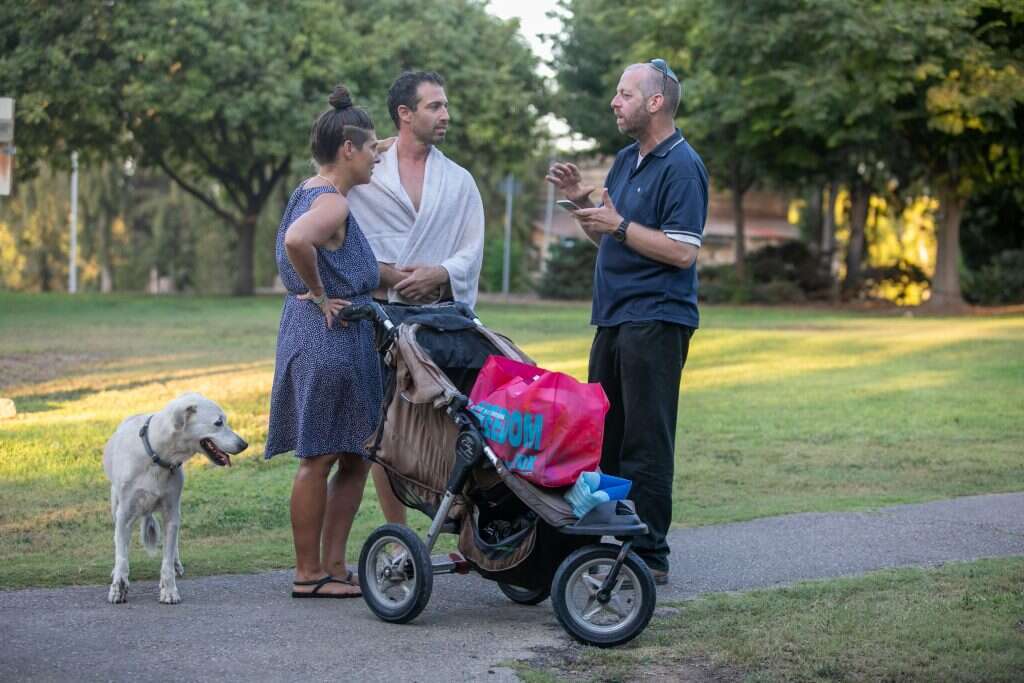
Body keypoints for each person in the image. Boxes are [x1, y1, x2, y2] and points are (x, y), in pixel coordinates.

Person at [545, 59, 708, 585]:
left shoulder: (683, 166)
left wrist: (620, 225)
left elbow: (682, 253)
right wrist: (581, 204)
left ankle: (650, 555)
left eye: (624, 94)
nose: (614, 102)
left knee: (646, 439)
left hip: (656, 319)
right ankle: (608, 543)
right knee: (605, 438)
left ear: (654, 102)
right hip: (614, 319)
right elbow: (612, 235)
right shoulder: (624, 160)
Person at [348, 71, 485, 526]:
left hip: (441, 318)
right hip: (382, 316)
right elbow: (340, 230)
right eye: (434, 106)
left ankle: (458, 522)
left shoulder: (459, 180)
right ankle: (397, 532)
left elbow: (472, 245)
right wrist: (386, 274)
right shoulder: (368, 173)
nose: (445, 115)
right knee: (388, 427)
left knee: (446, 422)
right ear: (405, 114)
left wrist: (442, 273)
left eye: (445, 105)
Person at [264, 85, 382, 598]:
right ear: (349, 149)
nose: (378, 155)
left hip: (318, 336)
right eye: (374, 147)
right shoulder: (330, 202)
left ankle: (331, 567)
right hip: (331, 340)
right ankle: (310, 572)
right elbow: (297, 241)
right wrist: (319, 293)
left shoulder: (308, 189)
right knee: (321, 458)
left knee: (353, 457)